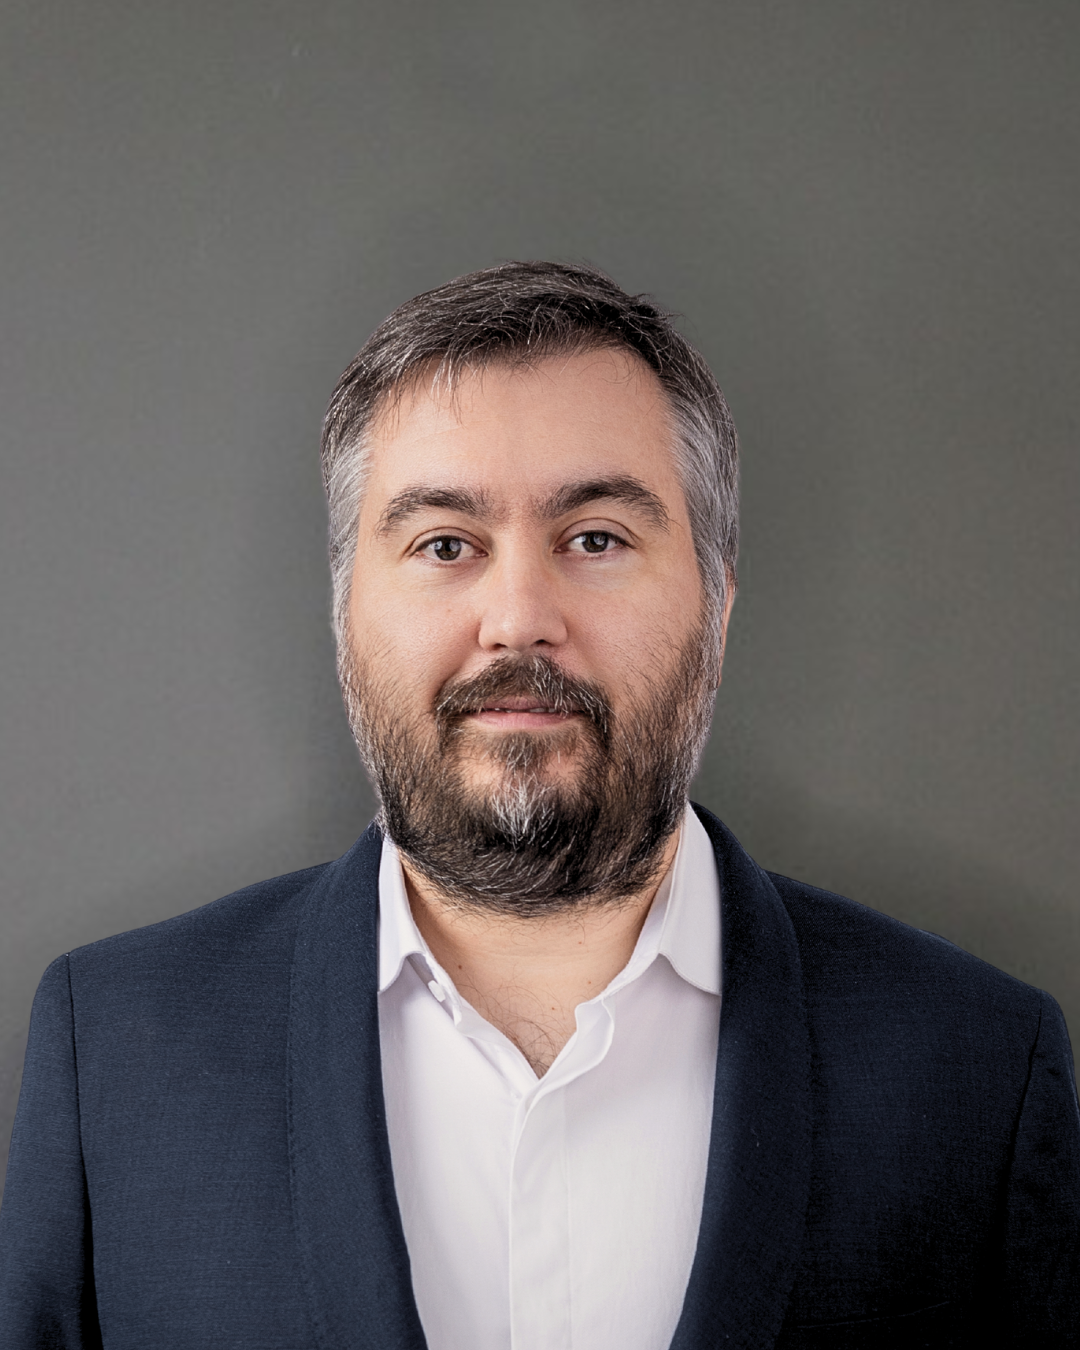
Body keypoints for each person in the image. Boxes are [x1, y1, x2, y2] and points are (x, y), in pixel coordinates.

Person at [1, 261, 1077, 1350]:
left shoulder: (979, 1070)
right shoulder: (117, 1056)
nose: (518, 618)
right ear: (343, 611)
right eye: (444, 545)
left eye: (596, 538)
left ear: (716, 601)